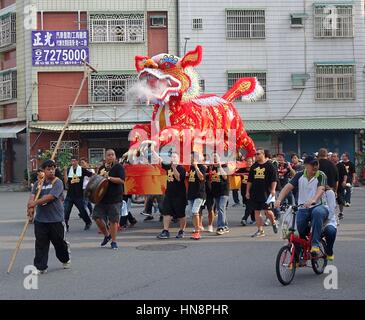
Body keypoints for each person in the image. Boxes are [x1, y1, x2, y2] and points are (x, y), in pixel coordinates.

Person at [275, 155, 329, 256]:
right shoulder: (299, 175)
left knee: (317, 213)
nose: (315, 167)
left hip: (319, 206)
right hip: (303, 208)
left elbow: (321, 189)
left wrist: (313, 200)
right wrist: (278, 200)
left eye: (316, 164)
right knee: (297, 230)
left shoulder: (321, 175)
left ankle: (315, 244)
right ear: (305, 166)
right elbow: (287, 187)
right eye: (312, 164)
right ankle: (300, 253)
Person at [27, 160, 71, 274]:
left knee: (59, 243)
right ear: (43, 170)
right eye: (48, 169)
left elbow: (51, 197)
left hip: (56, 219)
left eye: (53, 168)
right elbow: (32, 197)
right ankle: (40, 266)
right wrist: (30, 208)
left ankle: (65, 259)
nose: (51, 171)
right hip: (41, 220)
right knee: (41, 244)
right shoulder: (38, 184)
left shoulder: (58, 182)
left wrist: (35, 203)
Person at [92, 149, 125, 250]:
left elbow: (121, 180)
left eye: (112, 155)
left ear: (115, 156)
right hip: (101, 198)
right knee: (96, 217)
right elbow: (98, 181)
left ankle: (114, 242)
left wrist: (109, 178)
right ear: (105, 157)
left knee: (113, 221)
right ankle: (107, 235)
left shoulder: (118, 167)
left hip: (115, 198)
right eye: (108, 155)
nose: (110, 156)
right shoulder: (102, 167)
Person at [246, 148, 279, 238]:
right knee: (257, 212)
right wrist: (247, 192)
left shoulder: (270, 166)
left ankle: (274, 222)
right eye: (255, 154)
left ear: (263, 154)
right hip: (255, 193)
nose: (256, 156)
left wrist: (273, 190)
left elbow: (274, 179)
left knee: (268, 212)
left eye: (258, 154)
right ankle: (260, 230)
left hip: (266, 193)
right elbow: (250, 181)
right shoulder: (254, 166)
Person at [157, 152, 187, 239]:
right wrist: (153, 150)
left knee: (181, 214)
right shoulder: (168, 167)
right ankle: (165, 231)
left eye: (174, 157)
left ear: (178, 159)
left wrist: (174, 168)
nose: (172, 158)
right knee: (166, 213)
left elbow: (178, 178)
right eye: (171, 157)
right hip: (169, 194)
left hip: (179, 196)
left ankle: (182, 231)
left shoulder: (181, 168)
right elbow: (160, 160)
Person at [63, 157, 93, 232]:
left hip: (79, 195)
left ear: (77, 161)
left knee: (82, 211)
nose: (73, 162)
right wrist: (65, 171)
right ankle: (65, 225)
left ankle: (88, 222)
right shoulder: (69, 169)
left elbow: (91, 175)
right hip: (69, 195)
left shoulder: (82, 169)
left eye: (74, 161)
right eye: (72, 161)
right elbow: (66, 182)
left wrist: (91, 184)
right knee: (66, 211)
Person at [187, 151, 207, 240]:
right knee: (192, 213)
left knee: (195, 211)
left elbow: (201, 177)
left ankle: (197, 232)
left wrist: (196, 167)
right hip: (191, 193)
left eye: (191, 157)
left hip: (199, 193)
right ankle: (196, 228)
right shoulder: (190, 167)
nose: (190, 159)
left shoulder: (202, 167)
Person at [210, 153, 230, 235]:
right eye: (213, 157)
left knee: (221, 208)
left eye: (216, 156)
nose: (214, 158)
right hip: (215, 191)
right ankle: (225, 226)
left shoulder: (224, 166)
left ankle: (220, 227)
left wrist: (219, 166)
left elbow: (225, 177)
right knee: (220, 209)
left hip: (224, 190)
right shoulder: (210, 167)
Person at [235, 157, 255, 226]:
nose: (249, 163)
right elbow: (234, 173)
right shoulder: (242, 169)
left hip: (252, 190)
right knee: (248, 204)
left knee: (249, 204)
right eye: (247, 161)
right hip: (243, 190)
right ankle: (253, 219)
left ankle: (244, 218)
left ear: (253, 162)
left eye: (250, 161)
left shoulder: (254, 169)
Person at [331, 153, 347, 220]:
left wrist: (344, 181)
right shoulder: (330, 165)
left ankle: (341, 212)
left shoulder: (341, 165)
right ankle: (332, 213)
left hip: (340, 185)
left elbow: (345, 174)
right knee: (332, 199)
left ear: (337, 158)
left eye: (335, 156)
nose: (333, 158)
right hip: (331, 185)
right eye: (332, 156)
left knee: (340, 200)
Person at [323, 187, 338, 261]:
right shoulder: (307, 189)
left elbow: (331, 211)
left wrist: (324, 223)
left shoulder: (329, 193)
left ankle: (329, 250)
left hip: (327, 221)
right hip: (311, 221)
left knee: (330, 231)